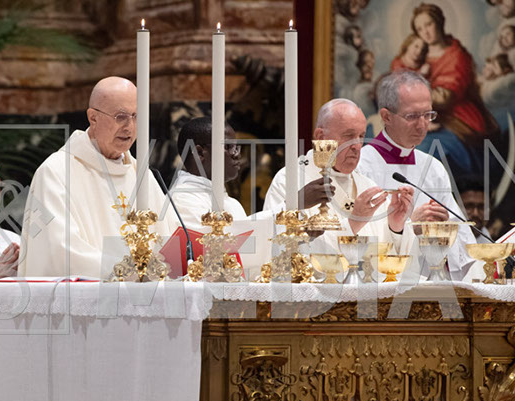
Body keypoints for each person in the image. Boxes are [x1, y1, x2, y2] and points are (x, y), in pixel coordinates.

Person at [18, 76, 173, 278]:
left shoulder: (141, 175)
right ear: (93, 118)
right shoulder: (56, 173)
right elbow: (59, 250)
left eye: (136, 116)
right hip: (90, 294)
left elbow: (169, 240)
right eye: (121, 117)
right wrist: (128, 272)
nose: (129, 127)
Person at [358, 71, 476, 280]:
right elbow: (355, 235)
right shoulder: (362, 165)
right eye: (412, 116)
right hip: (381, 285)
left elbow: (463, 242)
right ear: (386, 116)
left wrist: (444, 228)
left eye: (428, 115)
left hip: (431, 284)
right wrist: (409, 226)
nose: (422, 125)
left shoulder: (433, 167)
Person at [264, 98, 414, 254]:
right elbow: (276, 248)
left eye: (361, 136)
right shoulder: (290, 181)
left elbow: (388, 258)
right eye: (349, 136)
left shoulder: (367, 186)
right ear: (321, 137)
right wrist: (352, 224)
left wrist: (395, 228)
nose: (357, 146)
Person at [411, 3, 497, 150]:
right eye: (419, 29)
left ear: (439, 22)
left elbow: (446, 97)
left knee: (425, 149)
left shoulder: (457, 56)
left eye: (428, 24)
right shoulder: (418, 55)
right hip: (425, 115)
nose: (425, 32)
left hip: (456, 115)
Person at [169, 117, 246, 226]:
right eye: (228, 146)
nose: (236, 154)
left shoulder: (234, 204)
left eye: (236, 147)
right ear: (199, 153)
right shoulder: (184, 200)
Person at [456, 175, 492, 242]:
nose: (475, 214)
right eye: (468, 206)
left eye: (482, 207)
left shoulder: (490, 243)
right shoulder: (443, 242)